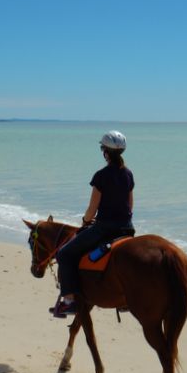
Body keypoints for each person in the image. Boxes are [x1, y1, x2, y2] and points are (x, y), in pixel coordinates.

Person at [55, 130, 135, 317]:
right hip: (127, 228)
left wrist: (85, 221)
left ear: (105, 151)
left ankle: (69, 302)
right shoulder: (128, 174)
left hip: (104, 229)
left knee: (64, 254)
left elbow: (93, 208)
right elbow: (130, 205)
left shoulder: (101, 175)